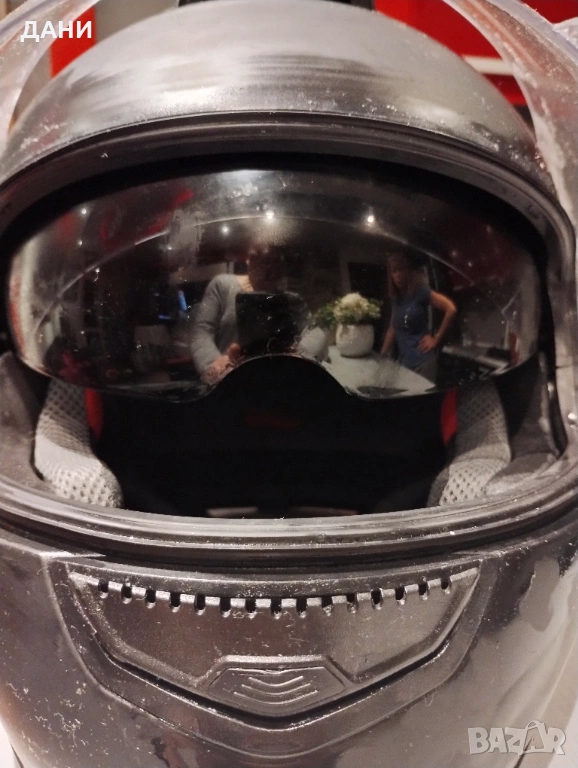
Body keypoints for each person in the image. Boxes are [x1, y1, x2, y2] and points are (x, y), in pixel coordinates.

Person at [191, 244, 327, 383]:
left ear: (282, 264)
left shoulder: (292, 299)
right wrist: (214, 365)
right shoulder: (222, 285)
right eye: (260, 258)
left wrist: (300, 357)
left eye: (275, 260)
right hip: (230, 382)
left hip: (281, 380)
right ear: (248, 259)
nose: (267, 268)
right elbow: (202, 331)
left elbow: (315, 332)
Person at [380, 254, 456, 383]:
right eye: (394, 271)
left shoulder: (421, 292)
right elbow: (392, 328)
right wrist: (382, 356)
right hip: (404, 362)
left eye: (401, 269)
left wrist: (436, 339)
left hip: (423, 362)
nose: (397, 275)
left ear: (408, 271)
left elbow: (451, 308)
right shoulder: (396, 299)